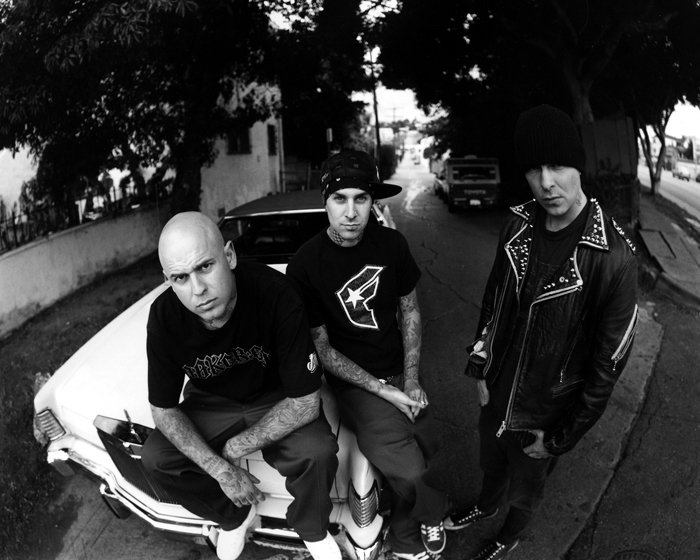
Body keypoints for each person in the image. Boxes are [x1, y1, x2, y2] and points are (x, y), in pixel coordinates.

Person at [443, 104, 639, 560]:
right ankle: (486, 506)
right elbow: (493, 301)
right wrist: (480, 366)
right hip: (497, 391)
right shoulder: (517, 224)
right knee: (491, 464)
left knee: (527, 490)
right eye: (534, 169)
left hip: (544, 412)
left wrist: (559, 437)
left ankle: (508, 535)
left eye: (558, 166)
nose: (546, 182)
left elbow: (606, 368)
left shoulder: (614, 257)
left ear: (579, 167)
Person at [141, 212, 342, 560]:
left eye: (205, 266)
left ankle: (311, 528)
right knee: (156, 458)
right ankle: (233, 518)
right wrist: (221, 470)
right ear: (167, 280)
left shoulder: (277, 294)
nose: (198, 290)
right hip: (211, 401)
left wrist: (235, 447)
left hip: (277, 396)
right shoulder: (163, 316)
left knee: (318, 452)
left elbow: (306, 401)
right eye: (180, 278)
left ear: (229, 256)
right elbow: (163, 408)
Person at [287, 149, 450, 560]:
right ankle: (433, 513)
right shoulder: (306, 263)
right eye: (339, 199)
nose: (350, 212)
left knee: (426, 445)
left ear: (372, 201)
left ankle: (406, 537)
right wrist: (382, 390)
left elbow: (409, 310)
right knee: (408, 467)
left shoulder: (391, 244)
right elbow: (322, 348)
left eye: (360, 199)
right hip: (355, 383)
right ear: (325, 201)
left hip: (400, 369)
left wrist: (409, 380)